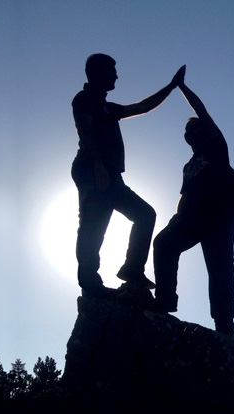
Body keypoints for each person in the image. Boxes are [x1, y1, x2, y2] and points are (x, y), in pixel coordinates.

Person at [71, 54, 185, 298]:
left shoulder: (108, 108)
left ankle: (132, 270)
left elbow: (142, 107)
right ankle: (90, 283)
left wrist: (172, 86)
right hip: (93, 169)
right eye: (111, 70)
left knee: (145, 214)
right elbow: (84, 131)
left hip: (111, 175)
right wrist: (98, 164)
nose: (116, 75)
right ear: (96, 72)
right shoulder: (84, 99)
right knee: (93, 226)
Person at [153, 69, 234, 335]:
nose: (189, 132)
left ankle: (224, 324)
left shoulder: (217, 148)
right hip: (190, 220)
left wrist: (180, 87)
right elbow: (185, 195)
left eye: (194, 128)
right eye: (186, 130)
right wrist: (177, 217)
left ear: (206, 132)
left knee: (220, 270)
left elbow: (202, 111)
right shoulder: (188, 165)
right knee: (163, 243)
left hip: (219, 219)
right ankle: (166, 300)